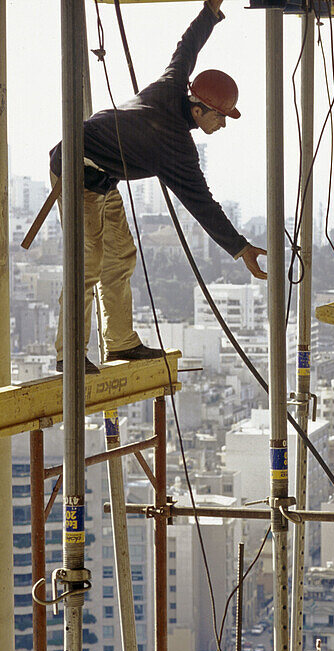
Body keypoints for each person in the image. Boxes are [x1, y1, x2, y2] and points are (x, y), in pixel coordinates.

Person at [51, 0, 265, 373]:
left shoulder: (172, 86)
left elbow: (187, 47)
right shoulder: (176, 148)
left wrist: (210, 12)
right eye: (220, 116)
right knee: (86, 263)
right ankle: (68, 354)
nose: (223, 124)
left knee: (120, 256)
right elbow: (203, 204)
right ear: (198, 108)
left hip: (102, 177)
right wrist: (240, 247)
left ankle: (119, 343)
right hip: (75, 169)